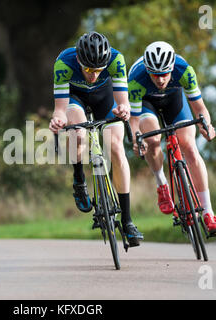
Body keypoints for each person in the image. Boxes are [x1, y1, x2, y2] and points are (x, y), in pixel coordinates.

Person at [49, 31, 143, 246]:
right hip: (75, 98)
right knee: (78, 134)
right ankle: (79, 179)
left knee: (116, 146)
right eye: (89, 70)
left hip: (105, 96)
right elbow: (60, 110)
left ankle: (127, 221)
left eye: (99, 70)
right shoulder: (64, 62)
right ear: (79, 60)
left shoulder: (116, 60)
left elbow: (123, 103)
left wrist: (124, 110)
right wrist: (57, 120)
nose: (93, 75)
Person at [127, 41, 216, 236]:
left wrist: (206, 125)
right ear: (147, 70)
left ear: (172, 68)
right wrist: (136, 139)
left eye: (164, 73)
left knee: (189, 147)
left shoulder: (184, 70)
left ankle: (209, 213)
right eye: (155, 74)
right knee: (153, 141)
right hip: (147, 103)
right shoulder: (136, 79)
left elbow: (200, 108)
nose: (160, 79)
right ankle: (161, 182)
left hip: (174, 100)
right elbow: (134, 121)